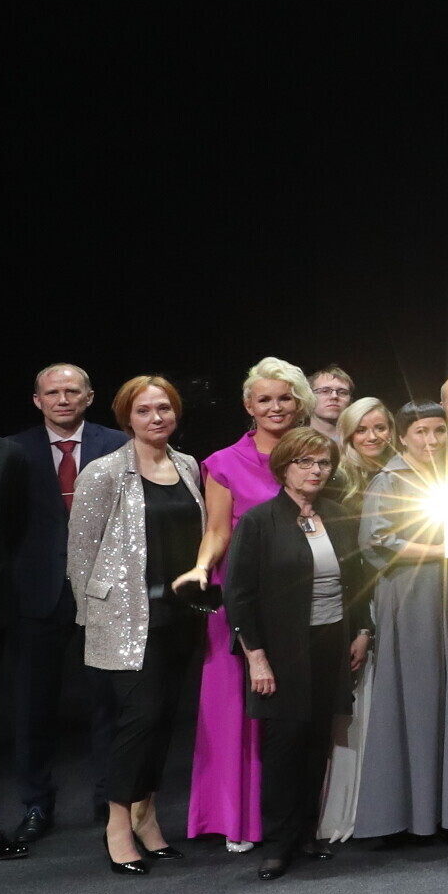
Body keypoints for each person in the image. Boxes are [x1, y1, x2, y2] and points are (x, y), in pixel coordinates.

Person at [64, 375, 202, 874]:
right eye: (144, 410)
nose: (156, 418)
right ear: (127, 418)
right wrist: (92, 621)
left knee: (164, 720)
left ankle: (148, 819)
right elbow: (80, 556)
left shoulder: (187, 466)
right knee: (139, 720)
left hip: (180, 615)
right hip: (125, 618)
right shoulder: (103, 472)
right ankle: (117, 825)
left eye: (164, 408)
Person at [175, 356, 315, 851]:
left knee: (297, 709)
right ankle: (238, 818)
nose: (275, 407)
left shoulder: (317, 454)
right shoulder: (224, 462)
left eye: (285, 398)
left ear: (299, 403)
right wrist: (201, 567)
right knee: (235, 708)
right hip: (242, 597)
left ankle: (297, 818)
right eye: (264, 399)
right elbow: (217, 530)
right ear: (248, 406)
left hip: (303, 598)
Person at [223, 429, 370, 879]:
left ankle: (307, 832)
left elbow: (358, 578)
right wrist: (256, 657)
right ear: (283, 468)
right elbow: (239, 595)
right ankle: (278, 843)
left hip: (331, 642)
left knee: (316, 741)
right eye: (305, 462)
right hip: (282, 649)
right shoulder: (259, 521)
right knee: (285, 746)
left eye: (323, 463)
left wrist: (363, 630)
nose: (315, 471)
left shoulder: (339, 515)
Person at [351, 400, 448, 842]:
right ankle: (410, 812)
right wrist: (442, 550)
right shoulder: (389, 479)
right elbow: (377, 540)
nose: (431, 440)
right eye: (421, 432)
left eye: (438, 431)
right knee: (415, 694)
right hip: (408, 593)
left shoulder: (447, 480)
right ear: (403, 436)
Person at [7, 362, 123, 841]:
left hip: (104, 593)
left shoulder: (119, 444)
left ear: (89, 396)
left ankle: (111, 801)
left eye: (72, 391)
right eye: (52, 393)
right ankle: (36, 804)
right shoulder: (12, 451)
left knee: (109, 703)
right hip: (38, 594)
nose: (62, 400)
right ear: (37, 400)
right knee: (32, 707)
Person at [333, 397, 397, 505]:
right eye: (361, 431)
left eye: (380, 428)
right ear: (349, 436)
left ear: (390, 431)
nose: (372, 437)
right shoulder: (338, 478)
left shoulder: (402, 470)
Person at [309, 366, 355, 442]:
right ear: (308, 397)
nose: (334, 396)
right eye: (325, 391)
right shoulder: (292, 441)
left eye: (342, 392)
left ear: (350, 401)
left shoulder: (360, 442)